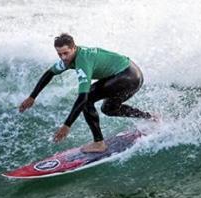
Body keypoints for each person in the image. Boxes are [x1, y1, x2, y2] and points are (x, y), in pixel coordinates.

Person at [18, 33, 156, 153]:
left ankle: (99, 143)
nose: (63, 57)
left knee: (88, 98)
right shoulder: (68, 59)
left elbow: (83, 98)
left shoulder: (82, 61)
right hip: (131, 73)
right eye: (59, 54)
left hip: (127, 76)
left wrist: (67, 125)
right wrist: (32, 97)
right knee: (109, 109)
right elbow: (49, 73)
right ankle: (150, 117)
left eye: (66, 53)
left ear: (74, 48)